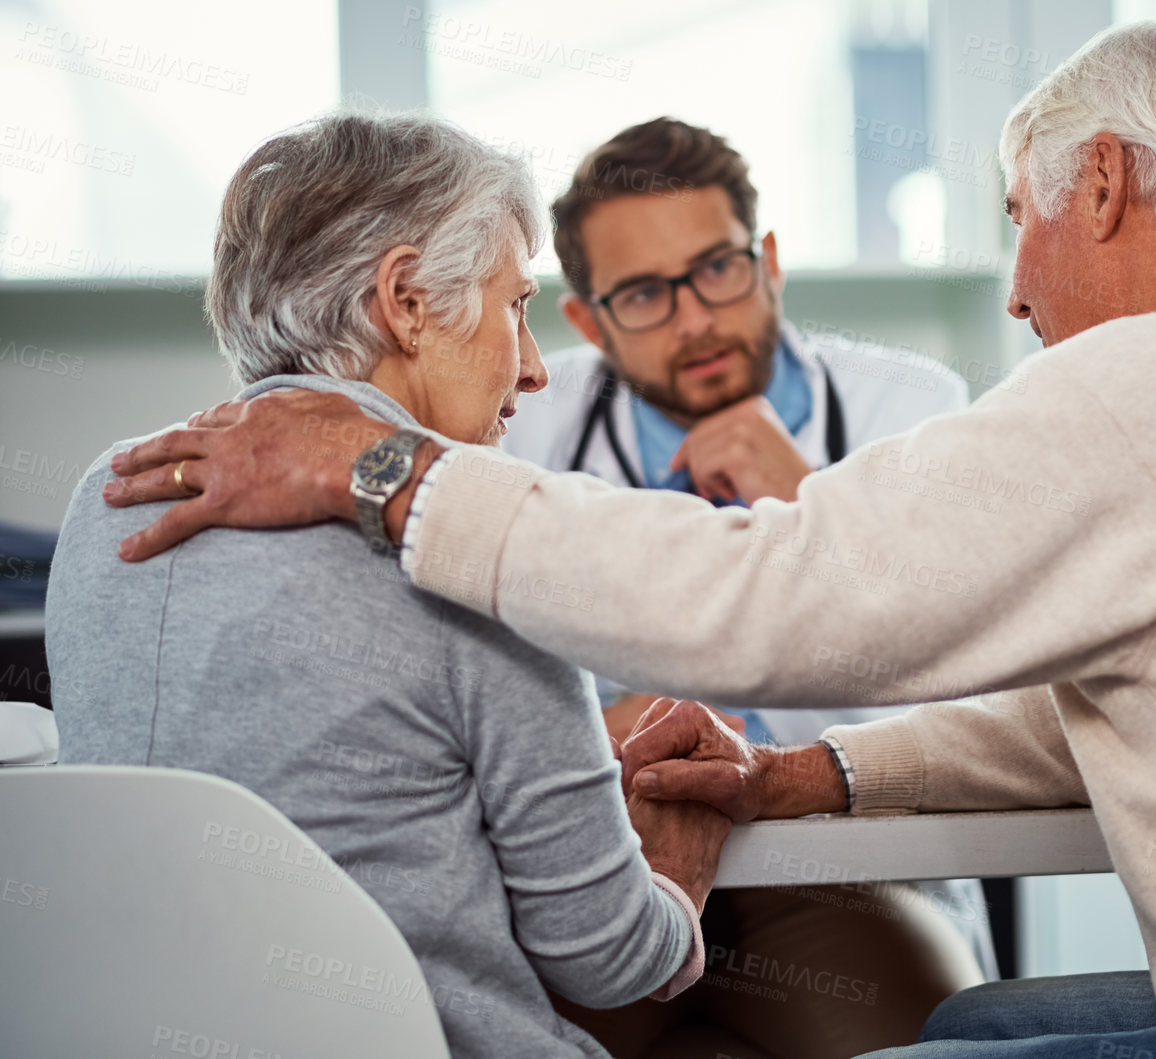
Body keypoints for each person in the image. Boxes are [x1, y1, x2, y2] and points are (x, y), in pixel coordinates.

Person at [103, 22, 1156, 1059]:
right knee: (967, 1028)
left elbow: (773, 595)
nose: (1012, 289)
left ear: (1106, 181)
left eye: (1018, 219)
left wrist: (388, 473)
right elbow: (1130, 694)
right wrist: (814, 775)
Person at [46, 114, 734, 1059]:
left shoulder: (103, 500)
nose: (534, 369)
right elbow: (608, 960)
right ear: (405, 300)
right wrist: (678, 860)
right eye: (516, 305)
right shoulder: (469, 533)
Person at [503, 117, 990, 1059]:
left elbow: (971, 689)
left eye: (717, 270)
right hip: (608, 873)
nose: (696, 320)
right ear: (589, 320)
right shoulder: (525, 425)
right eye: (644, 294)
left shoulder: (913, 410)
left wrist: (809, 507)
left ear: (766, 260)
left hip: (849, 869)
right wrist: (600, 739)